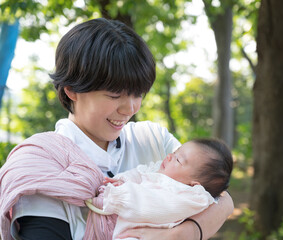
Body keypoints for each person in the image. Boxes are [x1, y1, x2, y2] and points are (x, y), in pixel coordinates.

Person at [0, 18, 234, 240]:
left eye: (138, 94)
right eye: (114, 95)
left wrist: (182, 235)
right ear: (71, 90)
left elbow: (221, 200)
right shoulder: (42, 163)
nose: (130, 108)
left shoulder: (151, 138)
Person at [88, 138, 233, 239]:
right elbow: (140, 173)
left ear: (194, 185)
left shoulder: (185, 196)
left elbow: (150, 203)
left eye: (178, 159)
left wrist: (119, 195)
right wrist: (123, 180)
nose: (170, 156)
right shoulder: (162, 173)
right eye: (175, 152)